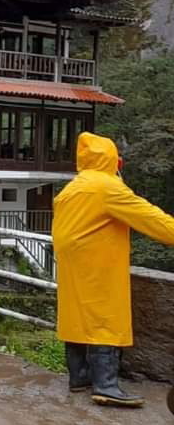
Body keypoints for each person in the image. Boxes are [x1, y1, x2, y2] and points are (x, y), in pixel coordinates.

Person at [52, 132, 174, 408]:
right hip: (98, 265)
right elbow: (151, 218)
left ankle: (79, 376)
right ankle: (105, 385)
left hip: (72, 266)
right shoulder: (107, 187)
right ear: (113, 161)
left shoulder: (71, 189)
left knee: (77, 316)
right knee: (104, 318)